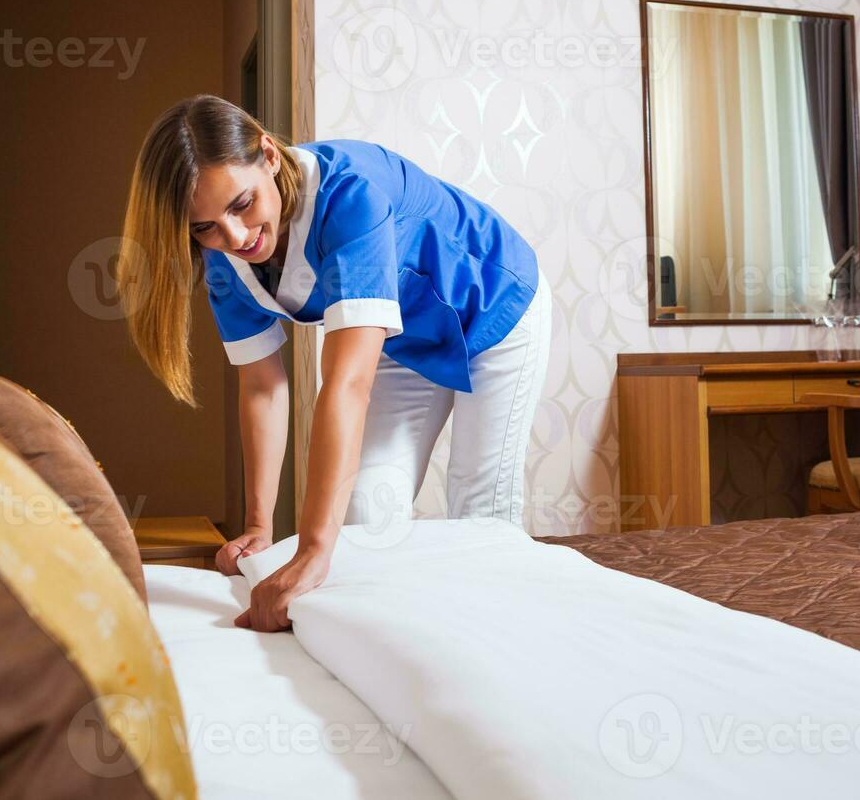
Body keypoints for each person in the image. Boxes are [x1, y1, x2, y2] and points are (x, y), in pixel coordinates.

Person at [118, 95, 551, 632]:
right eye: (204, 227)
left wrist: (312, 554)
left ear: (269, 156)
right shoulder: (225, 259)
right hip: (402, 340)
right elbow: (262, 386)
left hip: (495, 308)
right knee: (367, 513)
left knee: (479, 513)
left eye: (242, 204)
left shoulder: (352, 196)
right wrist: (259, 527)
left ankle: (496, 640)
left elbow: (347, 385)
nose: (234, 237)